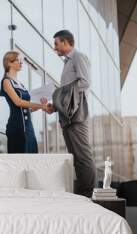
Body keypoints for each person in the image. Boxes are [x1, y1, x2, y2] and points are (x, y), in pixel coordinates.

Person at [45, 30, 96, 197]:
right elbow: (68, 94)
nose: (55, 48)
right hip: (67, 115)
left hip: (77, 113)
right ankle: (82, 193)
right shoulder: (67, 63)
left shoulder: (78, 57)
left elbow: (85, 82)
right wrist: (56, 104)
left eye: (56, 43)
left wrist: (60, 94)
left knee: (83, 155)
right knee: (75, 156)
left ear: (66, 42)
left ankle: (88, 194)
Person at [0, 51, 49, 153]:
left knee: (32, 156)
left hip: (28, 127)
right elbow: (18, 102)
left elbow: (27, 109)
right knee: (19, 159)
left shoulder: (21, 85)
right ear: (9, 63)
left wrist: (41, 106)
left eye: (21, 61)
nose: (21, 63)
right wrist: (40, 105)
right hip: (16, 127)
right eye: (18, 60)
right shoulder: (6, 81)